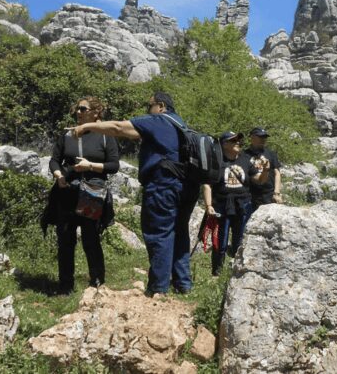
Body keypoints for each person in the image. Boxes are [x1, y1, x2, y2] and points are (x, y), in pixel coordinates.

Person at [71, 92, 199, 296]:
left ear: (161, 106)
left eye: (150, 106)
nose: (148, 110)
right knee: (180, 232)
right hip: (188, 188)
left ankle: (158, 288)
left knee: (159, 233)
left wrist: (86, 126)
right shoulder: (182, 125)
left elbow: (118, 128)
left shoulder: (158, 120)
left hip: (163, 185)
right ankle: (183, 285)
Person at [43, 96, 120, 294]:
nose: (78, 112)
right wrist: (58, 174)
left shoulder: (106, 135)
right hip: (67, 193)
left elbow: (114, 165)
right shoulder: (68, 135)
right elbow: (54, 160)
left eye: (83, 109)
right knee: (65, 241)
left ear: (95, 113)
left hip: (92, 194)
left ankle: (96, 284)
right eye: (77, 109)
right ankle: (65, 287)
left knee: (91, 239)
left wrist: (90, 166)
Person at [203, 131, 269, 275]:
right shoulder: (217, 160)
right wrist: (209, 205)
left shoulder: (245, 159)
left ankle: (237, 273)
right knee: (220, 242)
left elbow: (259, 180)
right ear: (224, 144)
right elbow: (208, 184)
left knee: (240, 241)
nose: (238, 143)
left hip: (243, 205)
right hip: (222, 205)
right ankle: (217, 273)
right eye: (233, 141)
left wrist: (266, 170)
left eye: (239, 141)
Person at [244, 127, 283, 210]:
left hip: (269, 194)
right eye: (260, 137)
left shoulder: (271, 153)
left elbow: (277, 173)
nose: (263, 139)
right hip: (251, 195)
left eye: (265, 137)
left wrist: (277, 193)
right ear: (252, 137)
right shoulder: (244, 155)